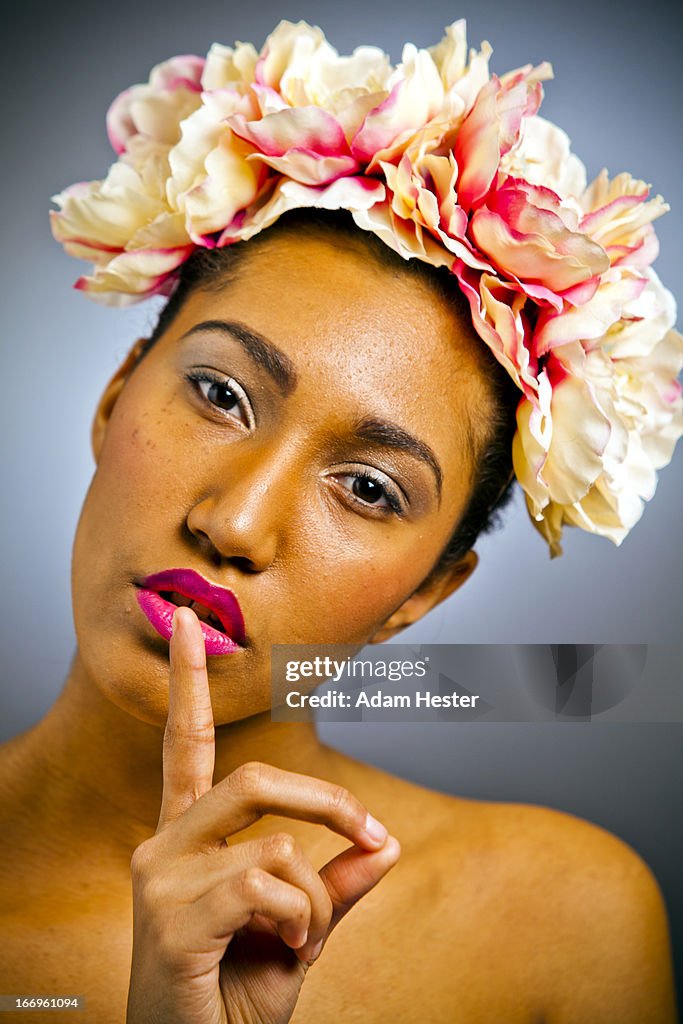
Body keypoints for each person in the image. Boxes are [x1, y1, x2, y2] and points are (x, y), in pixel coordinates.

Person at [0, 19, 679, 1023]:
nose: (234, 522)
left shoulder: (561, 920)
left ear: (423, 591)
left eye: (366, 487)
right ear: (114, 397)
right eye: (221, 394)